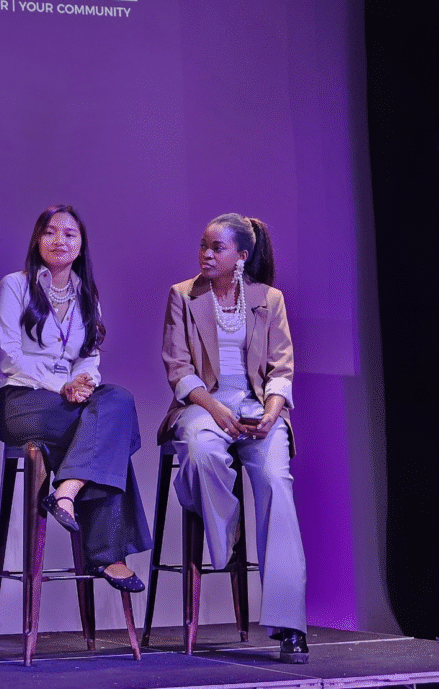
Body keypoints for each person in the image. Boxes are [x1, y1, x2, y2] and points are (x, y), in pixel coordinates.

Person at [159, 213, 309, 664]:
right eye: (203, 246)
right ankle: (228, 537)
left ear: (241, 256)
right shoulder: (183, 295)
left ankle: (289, 624)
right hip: (204, 406)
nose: (206, 254)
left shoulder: (269, 299)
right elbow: (178, 368)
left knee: (276, 484)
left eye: (217, 248)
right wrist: (215, 408)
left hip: (258, 408)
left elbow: (281, 367)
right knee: (201, 450)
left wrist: (272, 413)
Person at [0, 205, 152, 591]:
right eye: (50, 232)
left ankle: (66, 492)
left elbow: (89, 356)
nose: (59, 240)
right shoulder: (15, 286)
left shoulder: (85, 294)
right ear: (37, 240)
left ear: (81, 245)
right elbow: (11, 356)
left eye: (69, 234)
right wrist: (60, 386)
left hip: (72, 403)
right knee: (110, 432)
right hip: (24, 401)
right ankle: (108, 554)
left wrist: (83, 382)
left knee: (118, 399)